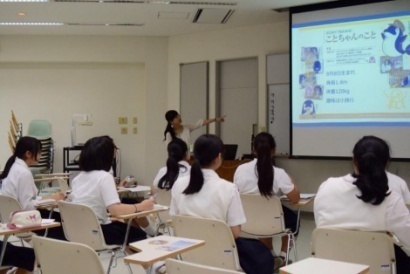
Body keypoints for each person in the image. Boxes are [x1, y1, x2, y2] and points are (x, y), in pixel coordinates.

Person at [170, 134, 274, 274]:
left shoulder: (179, 184)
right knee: (262, 256)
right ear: (219, 157)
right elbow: (235, 233)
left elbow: (173, 220)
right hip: (223, 259)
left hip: (187, 254)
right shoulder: (228, 188)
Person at [314, 135, 410, 274]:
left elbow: (321, 224)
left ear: (354, 159)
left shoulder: (326, 187)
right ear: (385, 163)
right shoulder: (391, 200)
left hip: (331, 267)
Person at [70, 136, 154, 246]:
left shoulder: (78, 178)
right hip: (100, 231)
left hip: (79, 230)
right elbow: (115, 210)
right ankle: (152, 259)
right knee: (141, 236)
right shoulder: (104, 177)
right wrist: (141, 206)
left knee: (126, 232)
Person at [233, 132, 300, 264]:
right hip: (272, 220)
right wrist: (290, 180)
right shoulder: (279, 173)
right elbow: (296, 198)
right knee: (293, 220)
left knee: (264, 218)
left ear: (253, 150)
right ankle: (282, 256)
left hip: (247, 221)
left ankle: (271, 256)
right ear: (273, 151)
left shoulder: (240, 169)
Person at [0, 136, 66, 240]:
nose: (40, 156)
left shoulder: (14, 167)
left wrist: (49, 198)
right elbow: (28, 207)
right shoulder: (24, 173)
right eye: (39, 153)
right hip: (22, 219)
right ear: (28, 154)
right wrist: (52, 198)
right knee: (63, 220)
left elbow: (27, 200)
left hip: (10, 217)